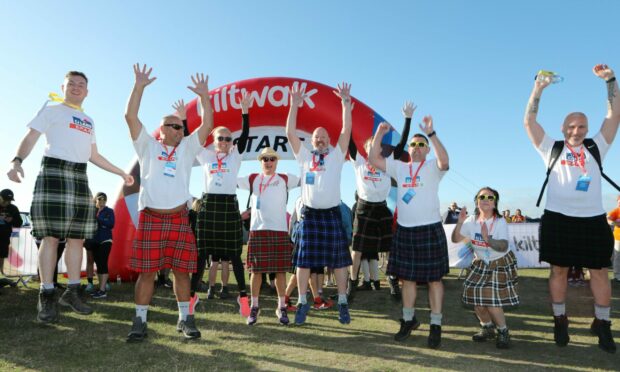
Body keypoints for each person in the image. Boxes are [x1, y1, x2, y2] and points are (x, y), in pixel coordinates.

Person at [7, 71, 134, 323]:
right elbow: (31, 136)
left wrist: (120, 171)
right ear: (63, 87)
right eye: (72, 84)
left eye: (81, 85)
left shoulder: (88, 120)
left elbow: (93, 155)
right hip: (53, 171)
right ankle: (47, 295)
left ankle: (73, 292)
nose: (76, 87)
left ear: (87, 92)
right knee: (51, 237)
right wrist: (16, 160)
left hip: (79, 176)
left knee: (77, 238)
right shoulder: (51, 109)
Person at [524, 64, 619, 353]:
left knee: (599, 273)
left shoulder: (596, 146)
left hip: (592, 220)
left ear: (587, 129)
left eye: (581, 126)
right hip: (558, 219)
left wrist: (610, 81)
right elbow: (529, 121)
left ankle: (602, 323)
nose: (576, 130)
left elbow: (614, 114)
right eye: (571, 126)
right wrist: (538, 89)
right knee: (558, 273)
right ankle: (560, 319)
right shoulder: (551, 147)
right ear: (563, 128)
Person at [124, 64, 212, 342]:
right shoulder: (147, 145)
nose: (178, 128)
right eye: (172, 125)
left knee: (182, 272)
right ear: (161, 130)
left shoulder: (187, 147)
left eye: (180, 125)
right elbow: (130, 116)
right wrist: (138, 86)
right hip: (151, 217)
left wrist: (205, 96)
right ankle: (140, 320)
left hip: (178, 218)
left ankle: (185, 319)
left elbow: (208, 124)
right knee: (147, 273)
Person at [369, 115, 450, 349]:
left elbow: (445, 160)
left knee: (435, 280)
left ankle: (436, 325)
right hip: (405, 231)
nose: (415, 148)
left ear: (426, 150)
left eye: (420, 145)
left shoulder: (434, 166)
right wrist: (379, 135)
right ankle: (408, 320)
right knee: (408, 281)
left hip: (430, 229)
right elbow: (374, 158)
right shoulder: (400, 166)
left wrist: (432, 134)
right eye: (413, 145)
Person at [286, 82, 353, 325]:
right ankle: (303, 300)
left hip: (332, 214)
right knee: (304, 261)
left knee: (339, 262)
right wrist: (294, 105)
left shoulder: (336, 155)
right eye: (317, 137)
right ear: (312, 141)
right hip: (311, 216)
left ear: (328, 140)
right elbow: (290, 134)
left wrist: (346, 104)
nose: (321, 140)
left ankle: (343, 302)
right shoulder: (304, 156)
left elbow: (346, 130)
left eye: (324, 137)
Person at [347, 101, 414, 301]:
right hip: (364, 208)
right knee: (357, 249)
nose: (374, 150)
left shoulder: (387, 163)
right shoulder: (358, 161)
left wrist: (407, 119)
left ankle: (392, 280)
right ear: (366, 149)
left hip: (382, 208)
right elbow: (348, 137)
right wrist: (346, 113)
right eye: (370, 147)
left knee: (391, 247)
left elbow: (402, 143)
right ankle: (352, 284)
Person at [195, 91, 253, 317]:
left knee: (234, 255)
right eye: (221, 138)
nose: (226, 142)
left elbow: (245, 134)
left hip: (228, 205)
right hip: (209, 205)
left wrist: (245, 113)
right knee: (202, 254)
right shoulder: (205, 156)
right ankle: (191, 298)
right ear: (214, 141)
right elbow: (192, 137)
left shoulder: (235, 156)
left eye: (229, 139)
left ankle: (243, 297)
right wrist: (183, 118)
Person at [237, 147, 300, 325]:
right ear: (261, 161)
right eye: (265, 159)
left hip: (279, 230)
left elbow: (309, 177)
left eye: (272, 158)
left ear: (276, 161)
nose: (268, 162)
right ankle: (254, 306)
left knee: (280, 272)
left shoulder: (286, 178)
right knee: (256, 272)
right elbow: (228, 180)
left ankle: (281, 307)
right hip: (258, 231)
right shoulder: (252, 179)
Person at [451, 187, 519, 349]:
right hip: (481, 262)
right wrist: (460, 222)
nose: (486, 199)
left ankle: (503, 331)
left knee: (491, 301)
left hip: (500, 261)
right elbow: (455, 239)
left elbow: (503, 246)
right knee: (477, 301)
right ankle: (487, 328)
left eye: (490, 197)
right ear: (477, 201)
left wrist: (488, 239)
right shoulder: (471, 220)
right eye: (482, 197)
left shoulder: (500, 221)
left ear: (495, 202)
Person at [89, 192, 115, 299]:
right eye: (100, 200)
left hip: (105, 240)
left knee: (103, 263)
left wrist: (98, 219)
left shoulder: (109, 211)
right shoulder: (92, 211)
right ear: (96, 200)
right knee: (99, 264)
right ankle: (100, 288)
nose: (102, 202)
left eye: (104, 200)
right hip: (94, 241)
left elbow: (111, 224)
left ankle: (103, 290)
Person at [0, 189, 23, 288]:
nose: (7, 202)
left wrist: (12, 219)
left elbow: (19, 222)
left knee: (1, 256)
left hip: (4, 238)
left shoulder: (13, 208)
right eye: (5, 200)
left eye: (9, 200)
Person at [607, 195, 620, 283]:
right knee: (617, 256)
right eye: (618, 201)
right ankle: (617, 275)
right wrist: (615, 223)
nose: (619, 203)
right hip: (618, 238)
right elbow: (608, 218)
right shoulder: (616, 211)